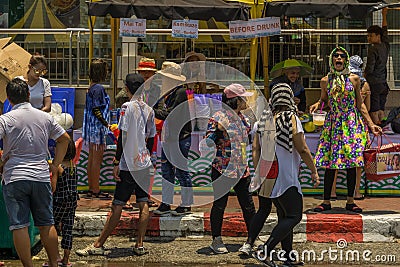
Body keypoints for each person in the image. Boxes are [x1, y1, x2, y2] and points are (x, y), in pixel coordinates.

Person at [76, 73, 155, 257]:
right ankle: (139, 244)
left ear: (127, 89)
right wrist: (147, 156)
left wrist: (117, 161)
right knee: (143, 203)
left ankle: (98, 245)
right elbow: (151, 138)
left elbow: (123, 136)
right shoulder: (149, 109)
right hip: (143, 162)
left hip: (129, 164)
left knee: (117, 205)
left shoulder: (127, 107)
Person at [0, 78, 70, 267]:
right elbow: (64, 139)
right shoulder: (44, 117)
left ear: (9, 99)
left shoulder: (5, 119)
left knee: (19, 225)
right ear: (29, 95)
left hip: (14, 177)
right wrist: (55, 166)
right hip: (40, 176)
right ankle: (54, 264)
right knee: (47, 223)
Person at [252, 83, 319, 266]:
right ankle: (265, 251)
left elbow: (256, 149)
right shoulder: (292, 118)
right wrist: (313, 171)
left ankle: (288, 256)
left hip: (270, 176)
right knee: (294, 216)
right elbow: (303, 149)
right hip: (287, 177)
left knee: (284, 216)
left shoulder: (265, 119)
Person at [311, 46, 368, 213]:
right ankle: (326, 201)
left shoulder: (355, 80)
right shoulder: (325, 80)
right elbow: (324, 100)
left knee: (352, 161)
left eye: (342, 56)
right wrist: (318, 104)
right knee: (330, 163)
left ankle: (350, 201)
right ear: (331, 60)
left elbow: (360, 104)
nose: (339, 58)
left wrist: (370, 124)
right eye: (335, 56)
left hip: (351, 123)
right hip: (333, 124)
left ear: (346, 60)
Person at [205, 84, 256, 254]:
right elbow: (207, 143)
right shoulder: (218, 118)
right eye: (243, 98)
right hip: (222, 168)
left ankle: (251, 240)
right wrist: (219, 131)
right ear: (235, 100)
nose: (246, 101)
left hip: (241, 168)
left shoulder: (244, 119)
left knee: (248, 205)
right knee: (219, 205)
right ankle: (216, 239)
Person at [153, 62, 193, 216]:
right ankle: (166, 203)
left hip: (179, 138)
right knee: (167, 172)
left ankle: (186, 204)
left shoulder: (180, 93)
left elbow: (169, 114)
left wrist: (151, 109)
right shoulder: (171, 94)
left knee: (181, 172)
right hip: (171, 137)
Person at [82, 58, 112, 200]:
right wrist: (106, 123)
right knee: (97, 160)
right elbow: (96, 109)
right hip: (97, 128)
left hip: (90, 127)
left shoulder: (91, 87)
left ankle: (91, 188)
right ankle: (95, 189)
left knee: (91, 159)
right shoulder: (99, 89)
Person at [51, 138, 78, 267]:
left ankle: (54, 258)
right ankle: (66, 260)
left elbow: (53, 188)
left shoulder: (59, 167)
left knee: (53, 226)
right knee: (68, 229)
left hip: (59, 201)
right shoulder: (74, 166)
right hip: (72, 202)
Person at [365, 7, 390, 126]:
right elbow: (385, 29)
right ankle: (384, 127)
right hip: (384, 83)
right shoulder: (385, 45)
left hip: (374, 82)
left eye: (370, 36)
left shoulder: (372, 49)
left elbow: (370, 67)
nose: (368, 38)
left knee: (374, 109)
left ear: (377, 36)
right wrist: (384, 15)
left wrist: (365, 76)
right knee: (381, 108)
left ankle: (376, 129)